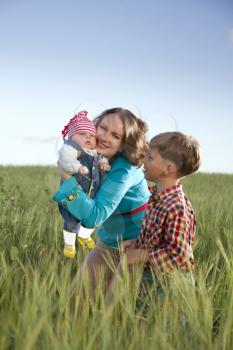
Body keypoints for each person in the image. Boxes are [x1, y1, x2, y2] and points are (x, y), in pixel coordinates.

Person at [53, 107, 150, 294]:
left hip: (138, 244)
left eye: (115, 135)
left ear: (123, 145)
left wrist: (66, 180)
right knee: (76, 300)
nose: (105, 137)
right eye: (102, 128)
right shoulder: (91, 158)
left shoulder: (124, 170)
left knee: (113, 309)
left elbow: (93, 218)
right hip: (109, 239)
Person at [119, 131, 201, 297]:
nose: (144, 161)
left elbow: (179, 254)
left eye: (149, 157)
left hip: (170, 283)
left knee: (163, 323)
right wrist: (138, 243)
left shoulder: (176, 207)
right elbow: (160, 238)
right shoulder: (157, 197)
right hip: (151, 277)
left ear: (168, 168)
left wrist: (141, 254)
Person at [57, 110, 110, 258]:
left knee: (92, 219)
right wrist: (77, 167)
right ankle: (69, 244)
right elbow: (65, 160)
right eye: (82, 134)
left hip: (91, 196)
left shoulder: (94, 152)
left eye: (91, 136)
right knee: (71, 220)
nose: (88, 137)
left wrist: (104, 163)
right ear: (71, 137)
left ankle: (84, 235)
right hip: (72, 194)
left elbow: (101, 157)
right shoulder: (71, 148)